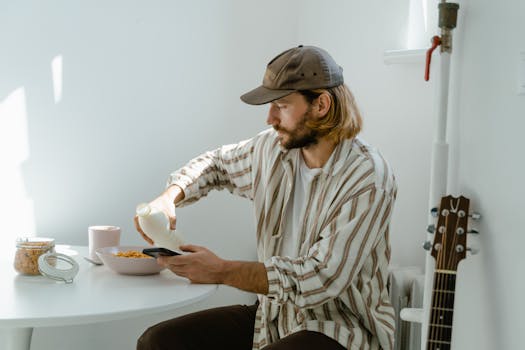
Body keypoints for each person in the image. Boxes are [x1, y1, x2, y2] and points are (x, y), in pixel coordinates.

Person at [135, 45, 397, 350]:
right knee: (159, 342)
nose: (269, 118)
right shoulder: (272, 149)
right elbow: (216, 164)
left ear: (321, 105)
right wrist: (170, 197)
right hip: (274, 318)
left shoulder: (367, 177)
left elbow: (320, 278)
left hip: (340, 329)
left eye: (282, 105)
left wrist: (221, 271)